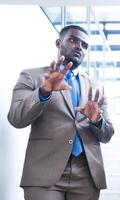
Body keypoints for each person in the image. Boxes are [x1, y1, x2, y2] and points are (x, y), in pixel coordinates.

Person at [7, 25, 114, 200]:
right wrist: (43, 92)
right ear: (59, 43)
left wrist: (97, 120)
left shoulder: (96, 88)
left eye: (84, 45)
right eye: (73, 40)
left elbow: (107, 135)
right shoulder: (32, 76)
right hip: (44, 172)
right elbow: (16, 118)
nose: (79, 46)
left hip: (87, 174)